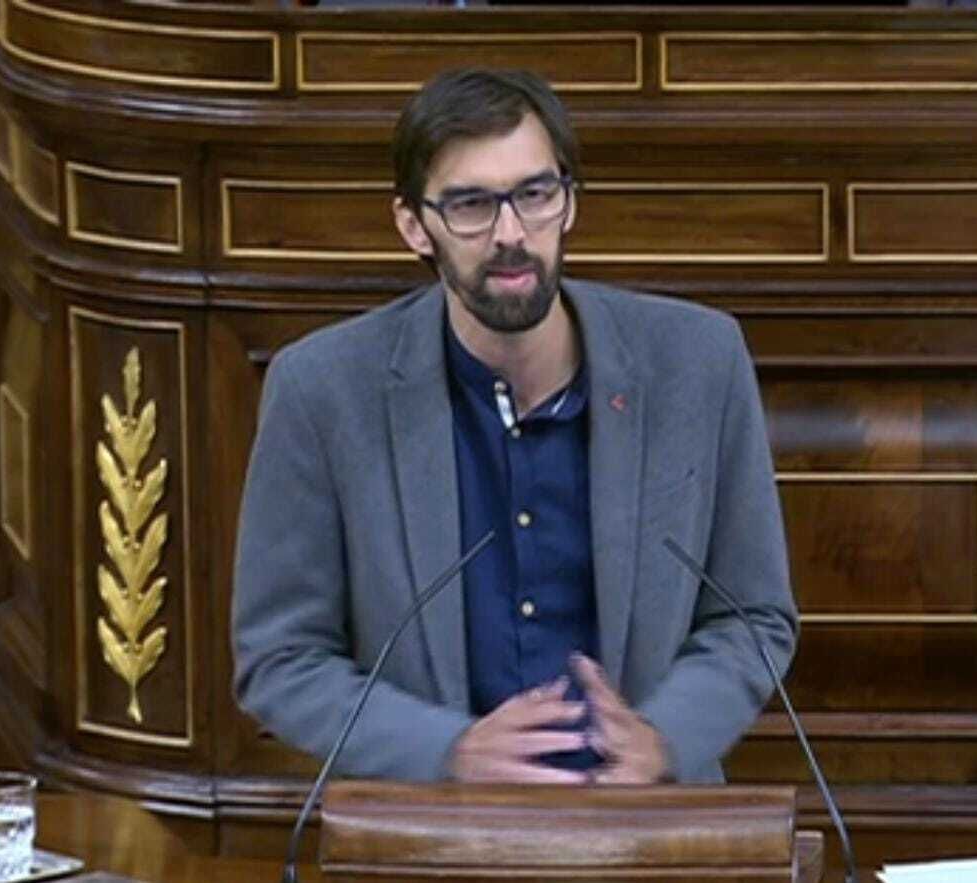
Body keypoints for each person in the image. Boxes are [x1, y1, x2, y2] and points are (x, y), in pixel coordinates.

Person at [231, 68, 798, 784]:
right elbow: (282, 659)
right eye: (470, 204)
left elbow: (753, 616)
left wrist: (661, 740)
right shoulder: (321, 390)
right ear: (413, 223)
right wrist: (450, 751)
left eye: (534, 195)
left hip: (649, 823)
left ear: (569, 203)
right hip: (434, 830)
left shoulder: (698, 361)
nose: (510, 234)